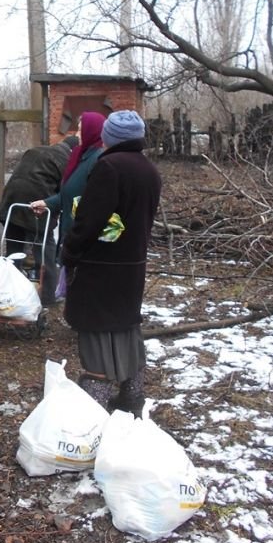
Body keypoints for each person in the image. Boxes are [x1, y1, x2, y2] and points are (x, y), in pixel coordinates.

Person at [60, 110, 162, 418]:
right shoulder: (149, 170)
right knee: (126, 325)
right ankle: (132, 395)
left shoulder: (109, 167)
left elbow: (90, 220)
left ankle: (94, 406)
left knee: (95, 331)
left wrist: (70, 251)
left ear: (111, 137)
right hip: (133, 265)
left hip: (101, 266)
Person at [0, 135, 78, 305]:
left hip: (12, 200)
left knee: (13, 251)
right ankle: (49, 296)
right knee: (45, 249)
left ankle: (11, 292)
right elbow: (64, 193)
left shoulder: (36, 150)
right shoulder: (67, 161)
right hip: (38, 205)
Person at [30, 111, 106, 255]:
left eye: (80, 130)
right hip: (70, 234)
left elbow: (94, 202)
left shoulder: (98, 160)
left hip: (82, 240)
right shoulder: (80, 156)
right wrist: (48, 203)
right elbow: (70, 192)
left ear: (92, 131)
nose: (77, 135)